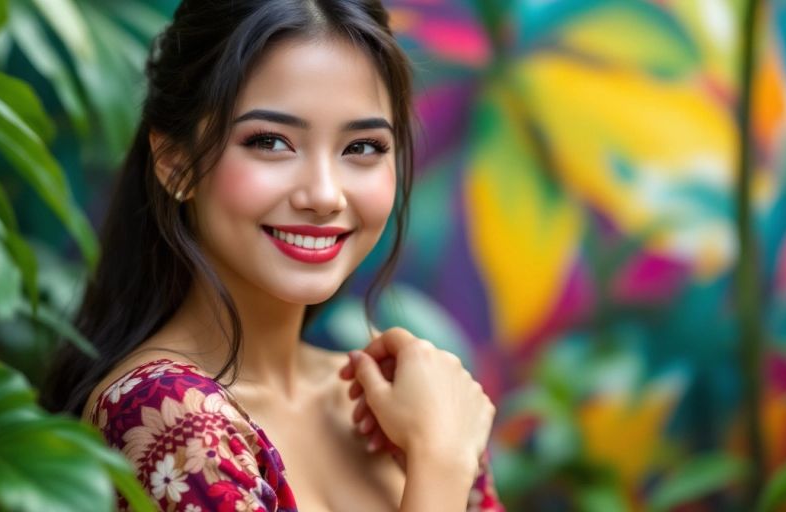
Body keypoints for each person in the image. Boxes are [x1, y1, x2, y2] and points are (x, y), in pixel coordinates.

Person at [41, 1, 503, 510]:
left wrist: (440, 447)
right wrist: (441, 464)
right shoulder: (166, 415)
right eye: (271, 141)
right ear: (175, 162)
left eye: (363, 147)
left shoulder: (399, 407)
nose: (325, 195)